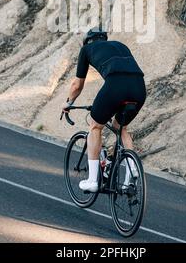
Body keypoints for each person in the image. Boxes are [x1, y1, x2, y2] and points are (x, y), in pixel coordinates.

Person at [62, 27, 146, 192]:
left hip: (115, 86)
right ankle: (132, 169)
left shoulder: (86, 49)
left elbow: (77, 85)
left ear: (88, 40)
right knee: (121, 129)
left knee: (95, 127)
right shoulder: (121, 45)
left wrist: (68, 103)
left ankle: (92, 180)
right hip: (139, 87)